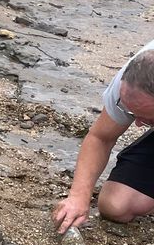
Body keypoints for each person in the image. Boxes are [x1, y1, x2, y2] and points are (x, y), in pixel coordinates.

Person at [53, 41, 154, 234]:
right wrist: (78, 196)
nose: (138, 124)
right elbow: (101, 137)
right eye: (132, 113)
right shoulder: (133, 82)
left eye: (148, 118)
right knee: (117, 205)